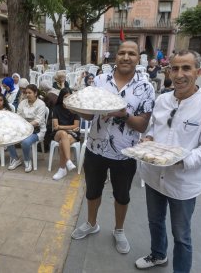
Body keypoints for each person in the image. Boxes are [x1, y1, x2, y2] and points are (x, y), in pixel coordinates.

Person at [135, 50, 201, 273]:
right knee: (154, 222)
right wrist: (148, 138)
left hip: (184, 183)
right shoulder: (163, 100)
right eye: (175, 68)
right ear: (169, 71)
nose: (180, 74)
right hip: (155, 175)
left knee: (181, 235)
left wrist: (179, 160)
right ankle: (158, 254)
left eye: (186, 68)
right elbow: (155, 127)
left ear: (198, 72)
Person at [70, 41, 155, 255]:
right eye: (122, 53)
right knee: (92, 191)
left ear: (138, 58)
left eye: (131, 54)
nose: (126, 57)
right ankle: (91, 224)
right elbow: (89, 114)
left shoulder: (145, 87)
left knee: (122, 195)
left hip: (125, 152)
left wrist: (123, 114)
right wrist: (76, 105)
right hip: (95, 148)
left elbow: (143, 125)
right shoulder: (99, 80)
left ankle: (119, 230)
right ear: (115, 56)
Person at [7, 84, 46, 172]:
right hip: (23, 128)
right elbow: (18, 116)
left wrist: (24, 125)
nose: (27, 95)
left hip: (37, 130)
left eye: (30, 93)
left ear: (35, 93)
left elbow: (37, 121)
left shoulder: (41, 104)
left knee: (25, 142)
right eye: (26, 93)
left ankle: (27, 160)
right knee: (8, 136)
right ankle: (15, 159)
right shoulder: (23, 103)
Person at [51, 88, 80, 180]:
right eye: (65, 97)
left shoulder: (75, 108)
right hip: (58, 134)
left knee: (62, 143)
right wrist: (62, 127)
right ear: (61, 98)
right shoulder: (56, 109)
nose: (67, 99)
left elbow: (76, 125)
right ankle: (68, 160)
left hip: (72, 134)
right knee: (63, 134)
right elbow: (55, 126)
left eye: (69, 97)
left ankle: (62, 169)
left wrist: (60, 126)